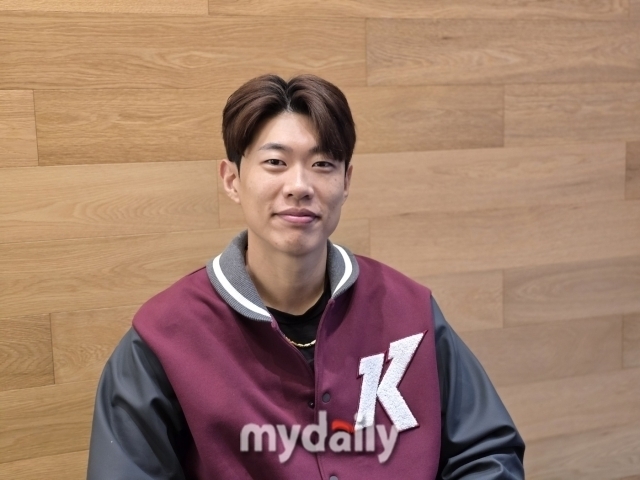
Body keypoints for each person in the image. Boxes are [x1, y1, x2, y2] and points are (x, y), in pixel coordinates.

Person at [87, 74, 525, 479]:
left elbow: (488, 454)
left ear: (346, 181)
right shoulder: (165, 337)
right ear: (232, 179)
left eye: (322, 164)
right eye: (275, 162)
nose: (299, 185)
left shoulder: (410, 310)